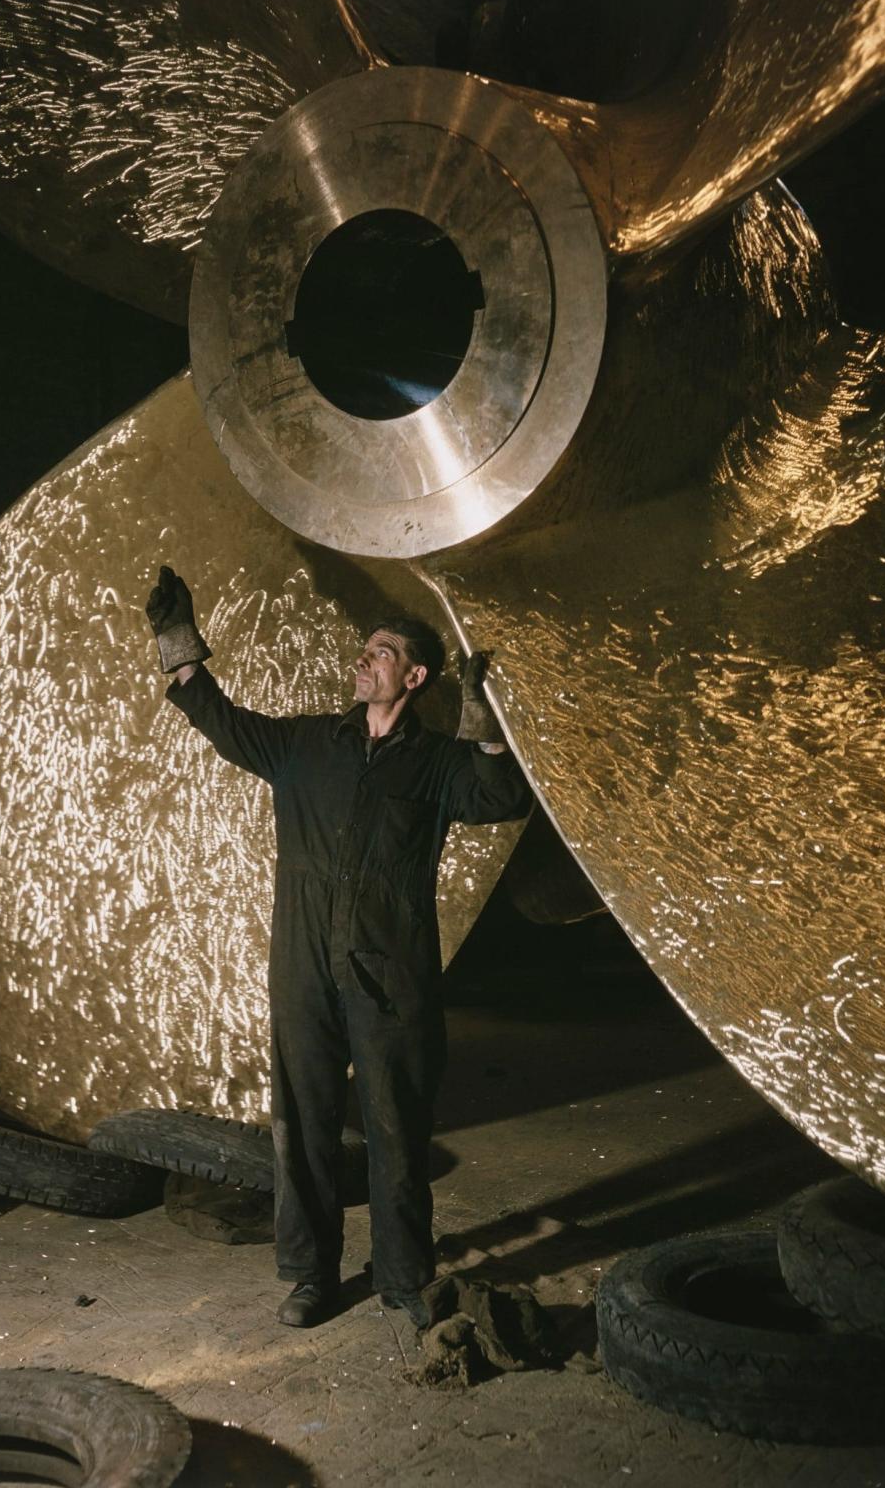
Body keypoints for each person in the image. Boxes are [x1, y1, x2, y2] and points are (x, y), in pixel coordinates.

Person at [146, 566, 531, 1330]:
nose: (364, 660)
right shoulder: (307, 744)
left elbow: (503, 796)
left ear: (414, 676)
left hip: (390, 972)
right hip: (303, 966)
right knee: (304, 1123)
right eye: (365, 649)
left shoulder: (437, 763)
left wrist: (485, 713)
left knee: (395, 1125)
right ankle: (310, 1276)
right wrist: (177, 641)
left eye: (380, 653)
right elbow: (222, 720)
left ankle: (402, 1276)